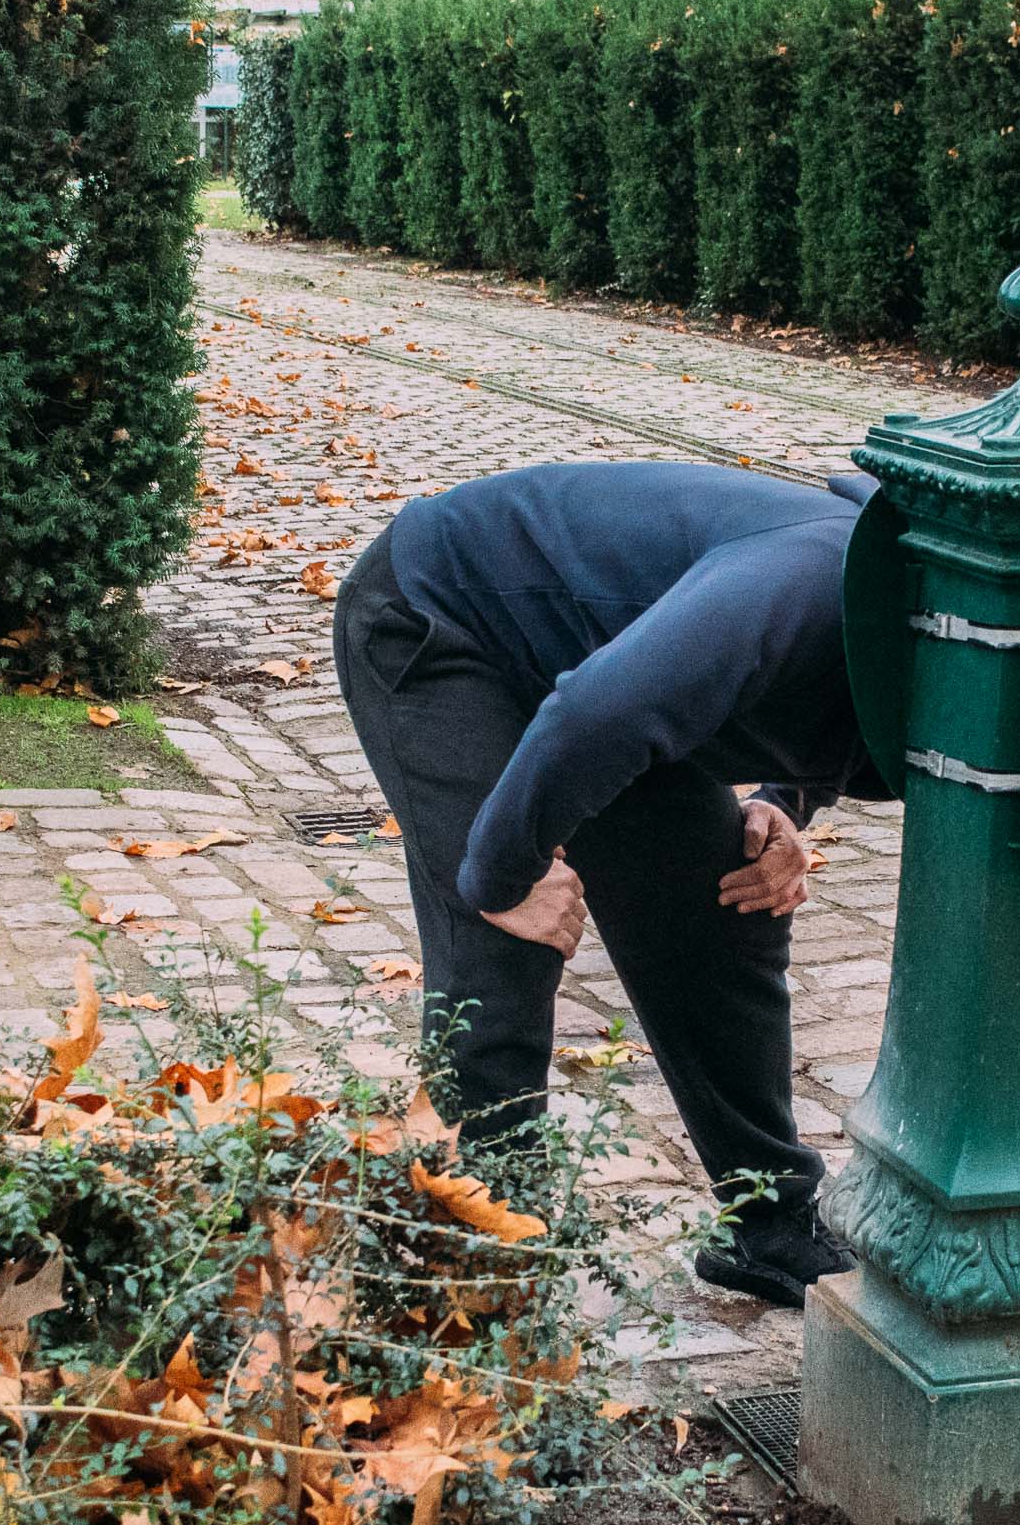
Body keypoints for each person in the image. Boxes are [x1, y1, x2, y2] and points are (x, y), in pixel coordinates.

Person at [332, 460, 890, 1307]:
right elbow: (596, 714)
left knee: (720, 899)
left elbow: (836, 716)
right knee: (505, 940)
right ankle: (488, 1261)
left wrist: (784, 803)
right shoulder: (802, 583)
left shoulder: (917, 643)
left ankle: (767, 1223)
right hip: (438, 617)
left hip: (601, 676)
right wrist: (502, 873)